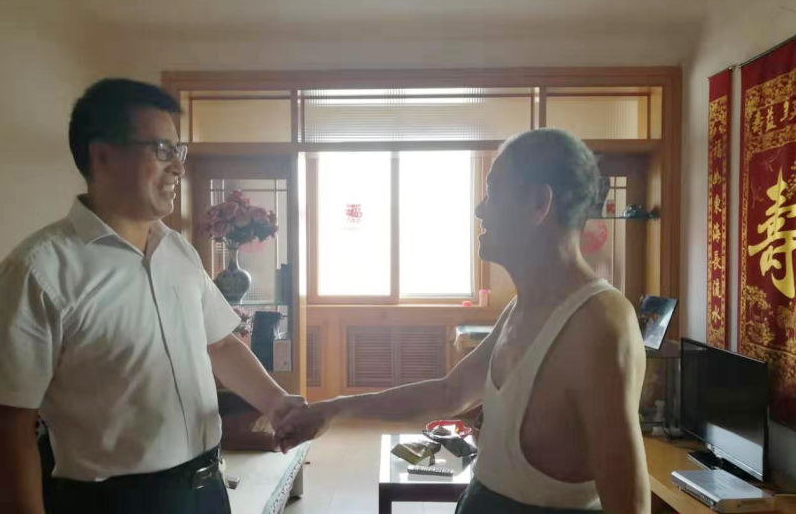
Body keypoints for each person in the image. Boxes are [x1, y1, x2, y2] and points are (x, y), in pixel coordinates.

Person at [276, 129, 650, 514]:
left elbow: (632, 507)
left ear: (539, 202)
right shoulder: (522, 307)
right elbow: (448, 393)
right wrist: (330, 410)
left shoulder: (601, 324)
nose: (480, 210)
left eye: (493, 193)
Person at [0, 79, 304, 514]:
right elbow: (9, 425)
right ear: (102, 155)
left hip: (206, 490)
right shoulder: (36, 272)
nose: (178, 168)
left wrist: (279, 405)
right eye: (162, 150)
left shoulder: (179, 251)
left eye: (179, 152)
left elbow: (221, 345)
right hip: (113, 502)